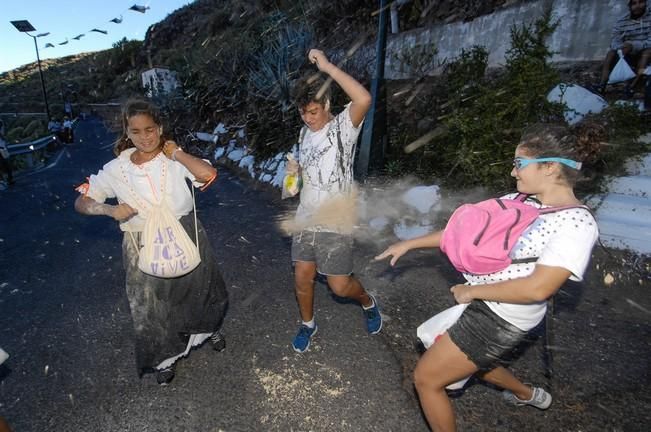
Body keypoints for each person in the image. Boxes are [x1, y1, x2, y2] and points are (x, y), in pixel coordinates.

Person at [375, 124, 602, 431]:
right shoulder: (521, 200)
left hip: (504, 315)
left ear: (549, 167)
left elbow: (539, 288)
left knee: (427, 379)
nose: (513, 172)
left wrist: (473, 293)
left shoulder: (575, 222)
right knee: (470, 359)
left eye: (520, 164)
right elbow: (461, 234)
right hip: (489, 302)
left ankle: (526, 393)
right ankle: (527, 393)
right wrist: (410, 243)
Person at [74, 99, 228, 385]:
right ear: (127, 133)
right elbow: (82, 202)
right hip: (140, 241)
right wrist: (109, 209)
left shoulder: (173, 158)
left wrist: (178, 153)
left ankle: (207, 330)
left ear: (160, 128)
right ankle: (164, 359)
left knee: (200, 288)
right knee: (151, 304)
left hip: (186, 232)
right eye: (136, 131)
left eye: (150, 129)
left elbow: (207, 174)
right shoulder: (115, 169)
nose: (145, 137)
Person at [288, 49, 380, 353]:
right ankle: (308, 324)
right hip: (306, 218)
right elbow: (300, 183)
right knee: (303, 277)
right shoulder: (304, 134)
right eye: (303, 112)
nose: (308, 118)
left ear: (327, 104)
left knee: (340, 286)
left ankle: (367, 301)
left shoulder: (342, 128)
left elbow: (364, 99)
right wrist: (293, 175)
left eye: (313, 111)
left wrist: (327, 66)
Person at [595, 0, 651, 96]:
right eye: (634, 3)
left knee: (647, 53)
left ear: (646, 3)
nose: (638, 6)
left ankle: (632, 87)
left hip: (645, 53)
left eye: (641, 2)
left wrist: (633, 45)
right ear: (629, 6)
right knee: (611, 53)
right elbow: (615, 41)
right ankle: (602, 85)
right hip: (627, 53)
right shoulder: (622, 21)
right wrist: (622, 48)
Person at [0, 121, 14, 187]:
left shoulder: (1, 133)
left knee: (6, 165)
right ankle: (7, 179)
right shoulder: (1, 133)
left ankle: (8, 179)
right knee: (6, 165)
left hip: (3, 149)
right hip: (2, 149)